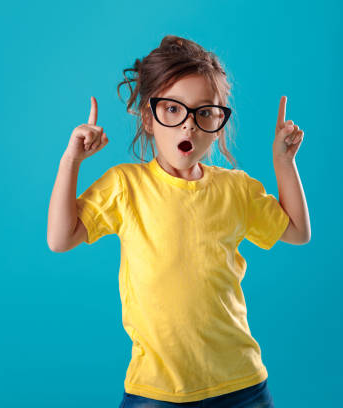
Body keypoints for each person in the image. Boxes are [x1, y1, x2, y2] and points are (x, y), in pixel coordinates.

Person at [47, 35, 311, 407]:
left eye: (204, 113)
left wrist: (285, 163)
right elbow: (60, 238)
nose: (188, 126)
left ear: (218, 124)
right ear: (148, 118)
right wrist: (71, 161)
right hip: (156, 392)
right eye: (172, 109)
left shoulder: (235, 190)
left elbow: (297, 231)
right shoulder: (126, 187)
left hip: (241, 386)